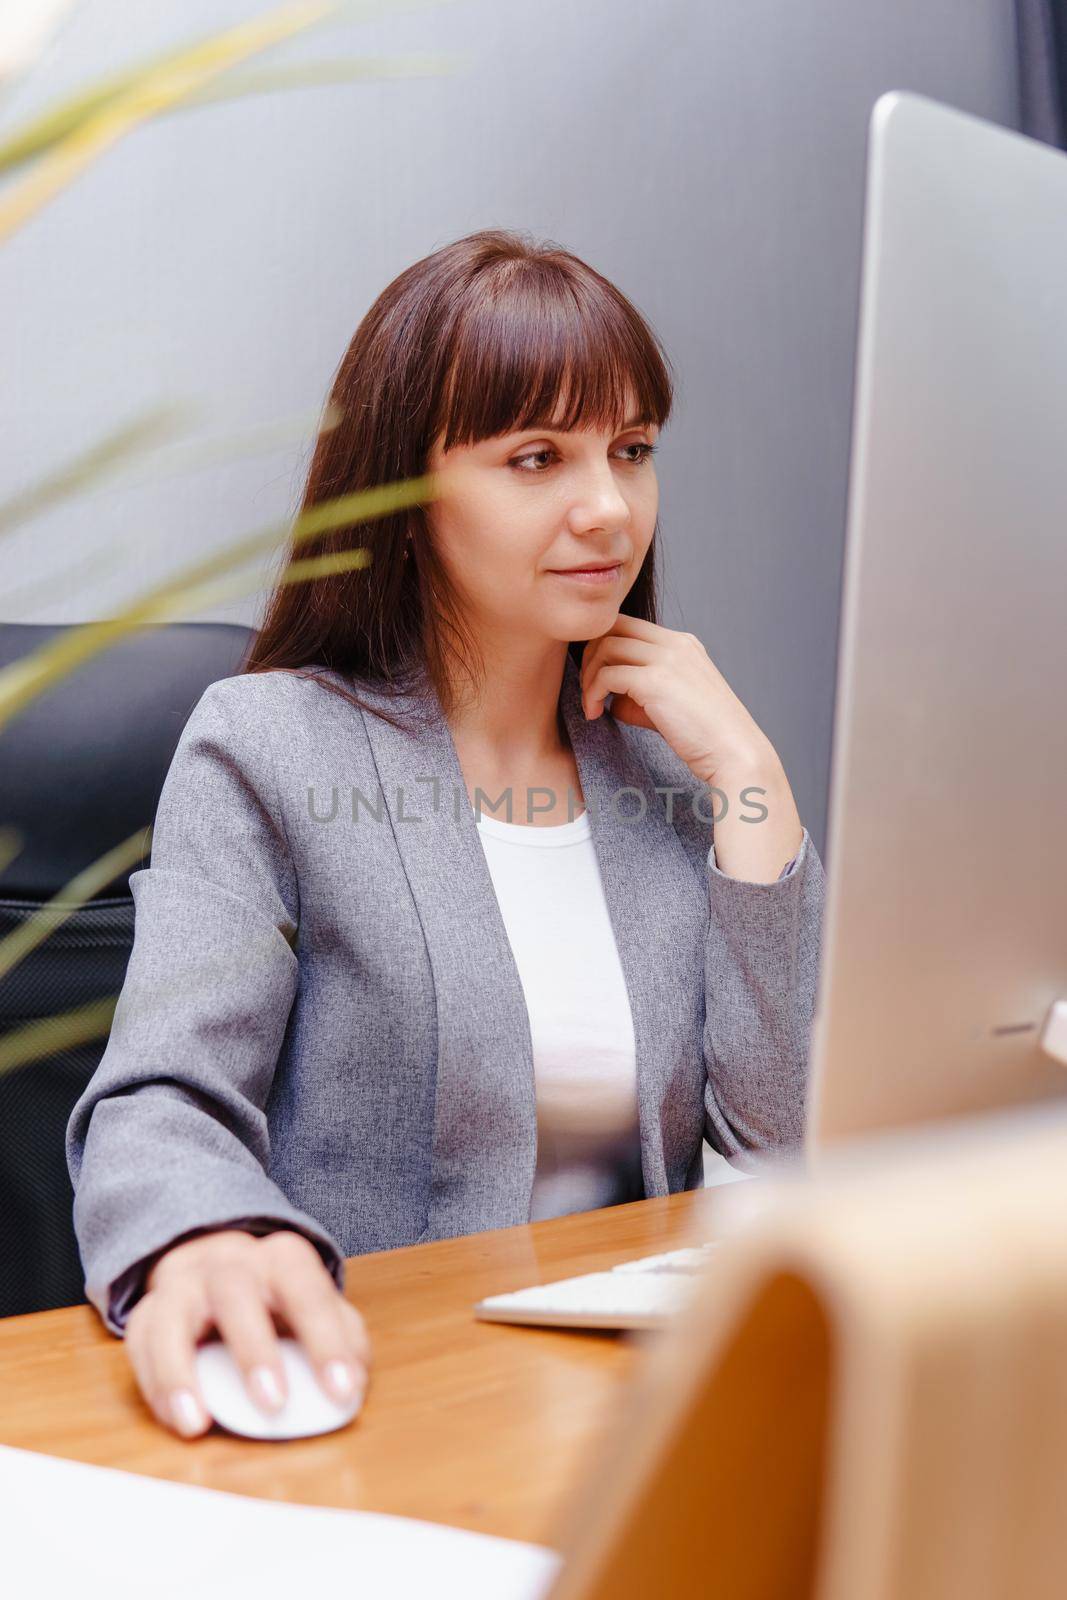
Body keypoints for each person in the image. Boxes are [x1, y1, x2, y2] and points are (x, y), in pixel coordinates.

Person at [66, 228, 825, 1439]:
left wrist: (750, 781)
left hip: (650, 1414)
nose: (606, 506)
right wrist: (204, 1236)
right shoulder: (268, 748)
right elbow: (162, 1101)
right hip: (392, 1402)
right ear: (404, 496)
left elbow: (775, 1156)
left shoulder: (669, 780)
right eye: (535, 456)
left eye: (630, 451)